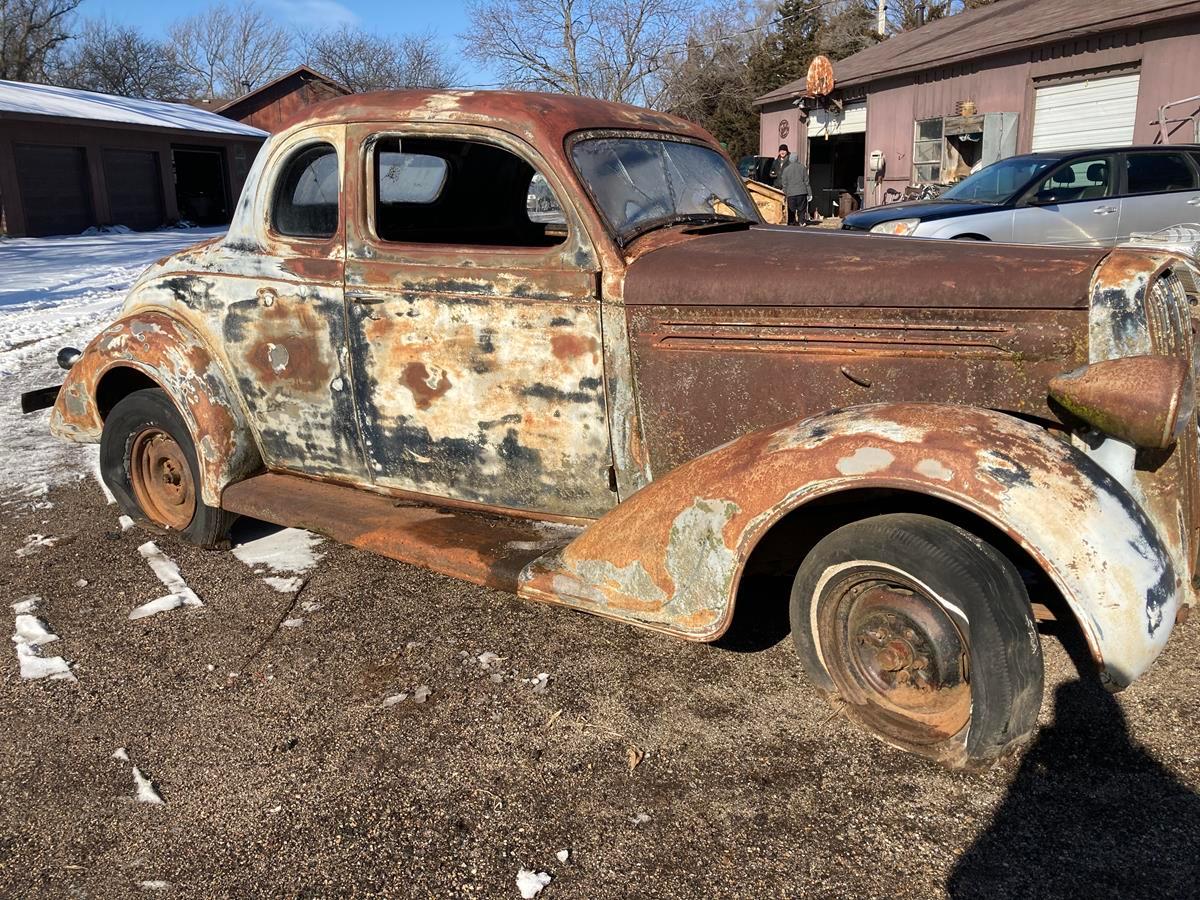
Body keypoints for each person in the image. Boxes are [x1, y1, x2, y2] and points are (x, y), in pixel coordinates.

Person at [777, 150, 811, 226]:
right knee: (801, 209)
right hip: (802, 192)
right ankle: (802, 222)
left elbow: (784, 183)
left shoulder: (786, 169)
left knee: (791, 210)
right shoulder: (803, 168)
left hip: (791, 193)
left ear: (790, 159)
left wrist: (785, 193)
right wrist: (810, 193)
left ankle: (791, 222)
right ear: (797, 159)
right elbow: (806, 181)